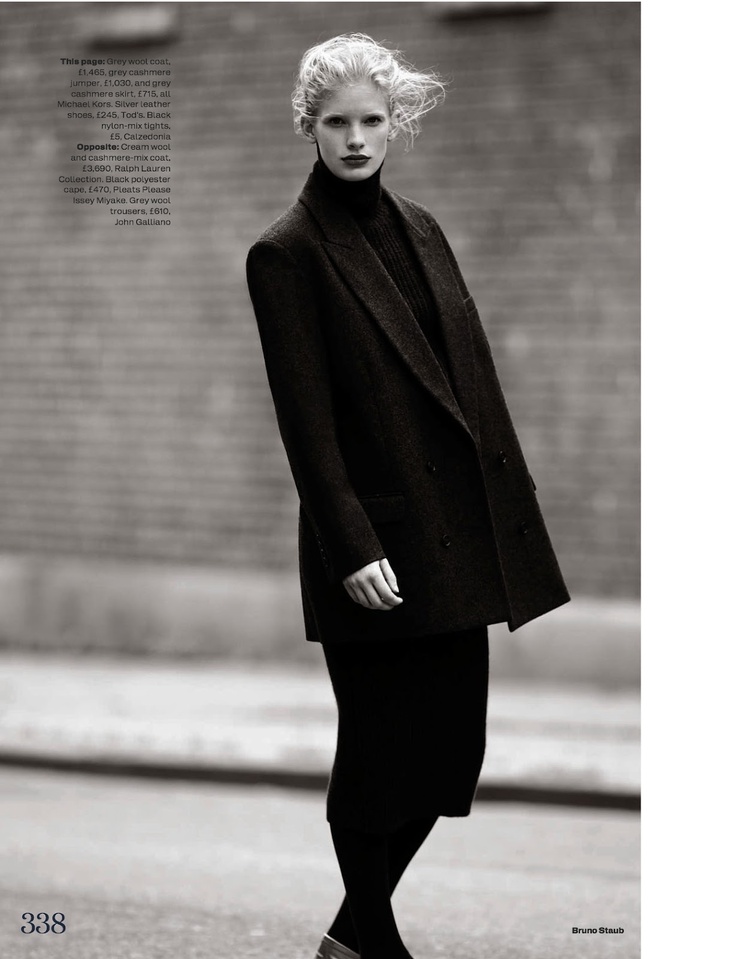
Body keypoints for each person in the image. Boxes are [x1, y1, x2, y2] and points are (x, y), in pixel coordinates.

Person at [246, 33, 570, 959]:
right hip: (374, 550)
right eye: (336, 122)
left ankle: (349, 937)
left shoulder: (423, 229)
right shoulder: (286, 254)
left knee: (449, 755)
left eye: (371, 120)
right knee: (381, 754)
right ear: (309, 127)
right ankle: (374, 945)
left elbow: (472, 383)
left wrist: (508, 517)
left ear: (397, 122)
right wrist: (349, 545)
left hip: (454, 539)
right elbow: (306, 424)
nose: (355, 139)